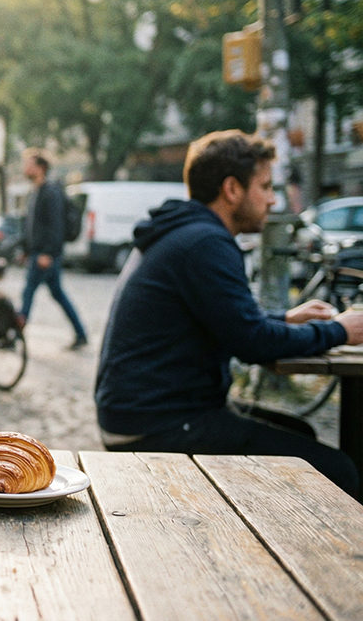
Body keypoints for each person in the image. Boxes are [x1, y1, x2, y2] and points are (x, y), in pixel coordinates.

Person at [95, 129, 363, 495]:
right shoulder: (205, 242)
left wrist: (284, 319)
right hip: (158, 424)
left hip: (143, 412)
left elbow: (229, 321)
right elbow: (252, 343)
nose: (272, 200)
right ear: (232, 189)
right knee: (339, 471)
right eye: (266, 187)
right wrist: (342, 331)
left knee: (301, 435)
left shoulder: (185, 232)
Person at [19, 149, 88, 349]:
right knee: (57, 294)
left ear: (40, 168)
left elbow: (55, 226)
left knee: (29, 290)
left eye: (29, 164)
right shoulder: (35, 191)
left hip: (46, 256)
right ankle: (81, 333)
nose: (25, 168)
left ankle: (16, 331)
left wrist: (48, 253)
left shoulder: (50, 192)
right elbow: (32, 226)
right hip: (38, 254)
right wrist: (26, 249)